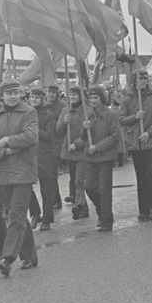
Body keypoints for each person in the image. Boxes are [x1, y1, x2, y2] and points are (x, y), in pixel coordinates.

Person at [0, 79, 39, 276]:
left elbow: (31, 137)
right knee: (17, 215)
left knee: (16, 214)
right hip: (4, 172)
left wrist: (6, 141)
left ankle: (8, 258)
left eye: (16, 92)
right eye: (9, 93)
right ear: (2, 96)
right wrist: (6, 151)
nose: (13, 96)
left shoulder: (29, 112)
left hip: (23, 171)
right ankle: (30, 256)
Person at [119, 69, 152, 221]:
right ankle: (143, 208)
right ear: (134, 81)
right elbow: (121, 119)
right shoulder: (127, 99)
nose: (143, 81)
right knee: (141, 176)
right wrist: (135, 117)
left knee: (151, 175)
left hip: (151, 142)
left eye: (145, 79)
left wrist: (149, 132)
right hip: (135, 142)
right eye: (140, 79)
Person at [80, 85, 121, 232]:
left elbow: (114, 136)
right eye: (91, 98)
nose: (93, 101)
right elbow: (83, 137)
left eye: (96, 98)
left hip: (105, 157)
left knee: (104, 190)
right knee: (90, 188)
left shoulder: (111, 115)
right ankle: (102, 211)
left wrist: (97, 147)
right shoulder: (88, 115)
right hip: (90, 157)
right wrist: (84, 128)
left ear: (102, 99)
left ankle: (107, 220)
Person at [57, 85, 89, 219]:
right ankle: (82, 206)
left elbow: (89, 134)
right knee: (75, 179)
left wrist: (77, 144)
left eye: (75, 94)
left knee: (79, 180)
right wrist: (64, 122)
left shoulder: (88, 110)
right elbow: (58, 131)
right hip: (70, 150)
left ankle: (80, 205)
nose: (72, 97)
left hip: (82, 149)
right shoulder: (65, 110)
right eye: (70, 94)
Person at [28, 85, 57, 231]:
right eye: (32, 97)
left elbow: (50, 136)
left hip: (44, 154)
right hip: (28, 154)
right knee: (26, 186)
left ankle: (47, 218)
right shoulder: (26, 112)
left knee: (46, 189)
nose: (34, 100)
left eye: (37, 97)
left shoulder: (48, 115)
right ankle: (35, 213)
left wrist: (35, 129)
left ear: (42, 99)